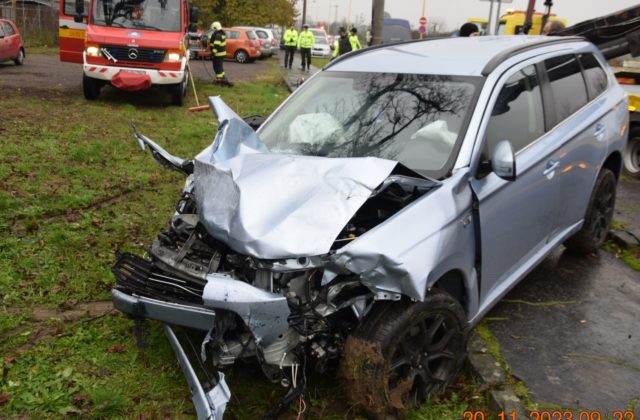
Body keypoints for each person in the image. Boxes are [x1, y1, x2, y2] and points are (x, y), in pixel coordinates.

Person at [209, 21, 232, 86]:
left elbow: (216, 45)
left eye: (213, 29)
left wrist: (213, 53)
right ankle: (222, 78)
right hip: (221, 54)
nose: (213, 30)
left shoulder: (217, 35)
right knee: (220, 66)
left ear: (215, 28)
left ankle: (219, 80)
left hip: (217, 54)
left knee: (217, 67)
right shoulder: (220, 34)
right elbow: (213, 39)